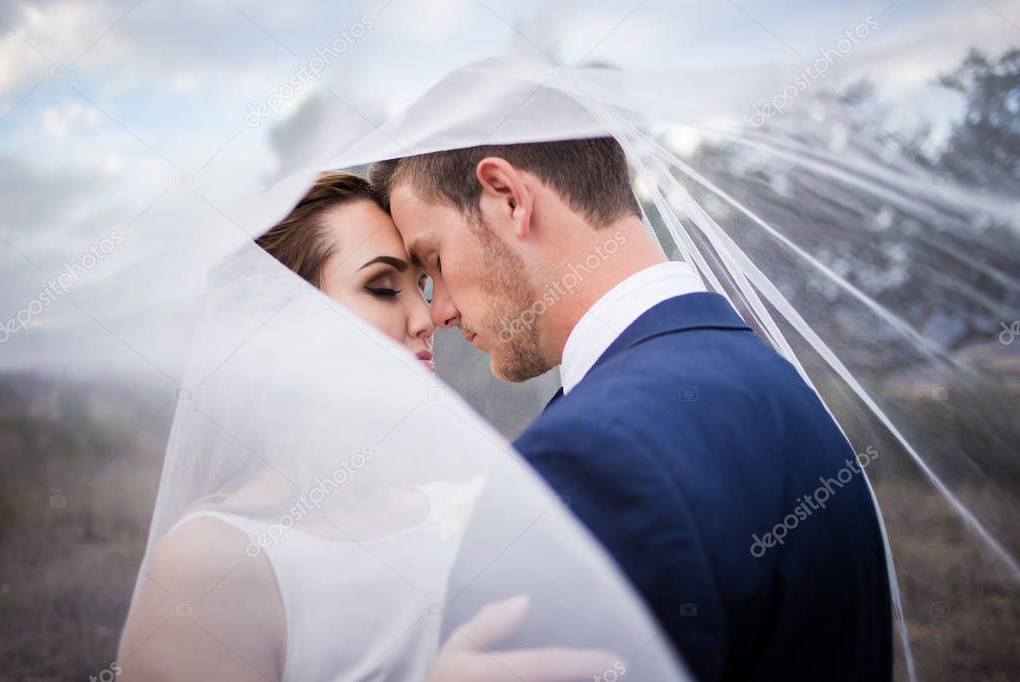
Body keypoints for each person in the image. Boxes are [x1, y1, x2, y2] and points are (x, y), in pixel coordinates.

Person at [371, 137, 894, 682]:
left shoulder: (593, 458)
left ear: (508, 197)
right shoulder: (772, 379)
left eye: (434, 261)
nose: (440, 312)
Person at [117, 171, 624, 681]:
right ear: (279, 327)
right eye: (382, 287)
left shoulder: (473, 506)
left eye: (421, 287)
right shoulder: (211, 565)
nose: (427, 316)